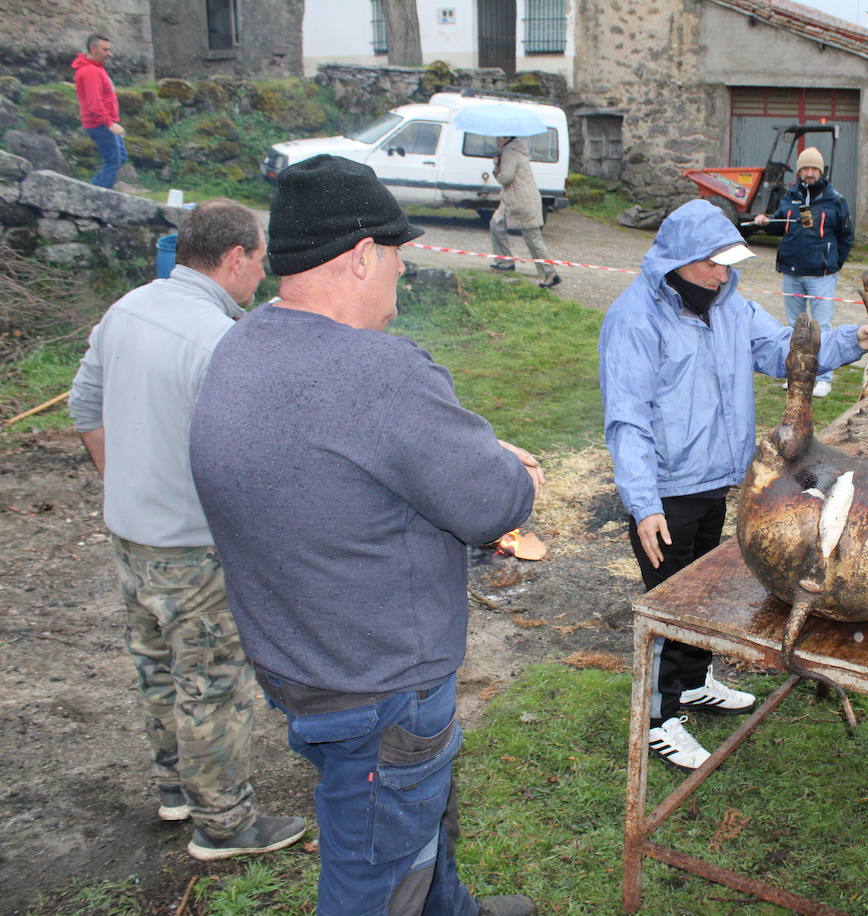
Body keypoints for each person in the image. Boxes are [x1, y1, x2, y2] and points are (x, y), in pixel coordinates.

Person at [189, 155, 541, 916]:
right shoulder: (378, 371)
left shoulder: (240, 346)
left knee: (416, 828)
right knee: (377, 874)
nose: (400, 277)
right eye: (396, 258)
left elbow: (333, 480)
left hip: (302, 663)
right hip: (380, 687)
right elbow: (490, 505)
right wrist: (519, 476)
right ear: (359, 257)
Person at [601, 198, 868, 771]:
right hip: (666, 491)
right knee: (669, 607)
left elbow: (787, 353)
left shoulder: (732, 307)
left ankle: (694, 681)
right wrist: (644, 504)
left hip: (719, 481)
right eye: (712, 264)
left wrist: (852, 342)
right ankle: (659, 717)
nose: (723, 274)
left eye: (730, 263)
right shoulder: (635, 320)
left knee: (703, 595)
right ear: (678, 261)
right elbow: (627, 419)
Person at [69, 199, 305, 861]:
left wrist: (125, 485)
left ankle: (175, 786)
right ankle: (224, 824)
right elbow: (254, 458)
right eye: (259, 261)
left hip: (130, 534)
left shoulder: (128, 309)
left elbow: (84, 407)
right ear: (234, 259)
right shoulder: (219, 340)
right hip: (194, 545)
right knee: (212, 682)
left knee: (156, 668)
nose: (260, 275)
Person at [751, 145, 854, 397]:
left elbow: (846, 236)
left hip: (821, 275)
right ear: (799, 172)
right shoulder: (790, 196)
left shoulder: (835, 200)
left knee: (821, 326)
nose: (809, 173)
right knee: (793, 327)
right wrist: (765, 222)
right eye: (805, 168)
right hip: (791, 272)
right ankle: (795, 373)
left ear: (821, 171)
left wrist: (833, 263)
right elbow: (779, 224)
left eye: (813, 169)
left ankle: (823, 377)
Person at [489, 135, 560, 289]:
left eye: (497, 138)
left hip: (521, 201)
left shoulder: (509, 152)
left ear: (505, 138)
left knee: (533, 238)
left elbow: (505, 178)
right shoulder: (513, 150)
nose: (495, 140)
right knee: (496, 224)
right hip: (515, 200)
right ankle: (505, 261)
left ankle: (550, 273)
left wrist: (496, 168)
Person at [71, 33, 128, 189]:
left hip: (103, 122)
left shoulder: (96, 68)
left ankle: (97, 191)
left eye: (109, 50)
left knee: (120, 157)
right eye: (105, 50)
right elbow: (94, 103)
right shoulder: (90, 71)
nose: (109, 54)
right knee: (113, 161)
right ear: (93, 48)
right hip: (100, 123)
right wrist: (110, 124)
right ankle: (95, 195)